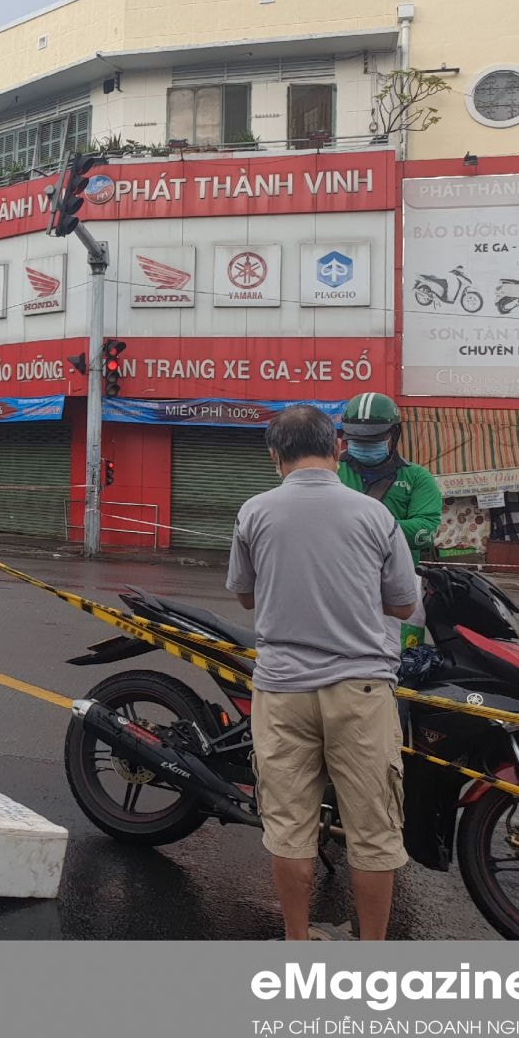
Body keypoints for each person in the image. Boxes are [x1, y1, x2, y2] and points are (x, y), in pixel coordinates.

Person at [226, 404, 420, 942]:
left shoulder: (254, 512)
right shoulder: (374, 515)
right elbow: (403, 606)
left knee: (289, 826)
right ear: (337, 446)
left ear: (275, 457)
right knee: (373, 829)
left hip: (282, 689)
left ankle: (296, 940)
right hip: (360, 692)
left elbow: (245, 595)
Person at [337, 393, 443, 648]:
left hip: (398, 584)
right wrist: (390, 527)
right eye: (356, 439)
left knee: (401, 660)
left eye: (373, 439)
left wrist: (356, 526)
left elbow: (425, 532)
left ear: (394, 434)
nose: (363, 444)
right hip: (339, 580)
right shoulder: (332, 471)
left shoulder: (417, 477)